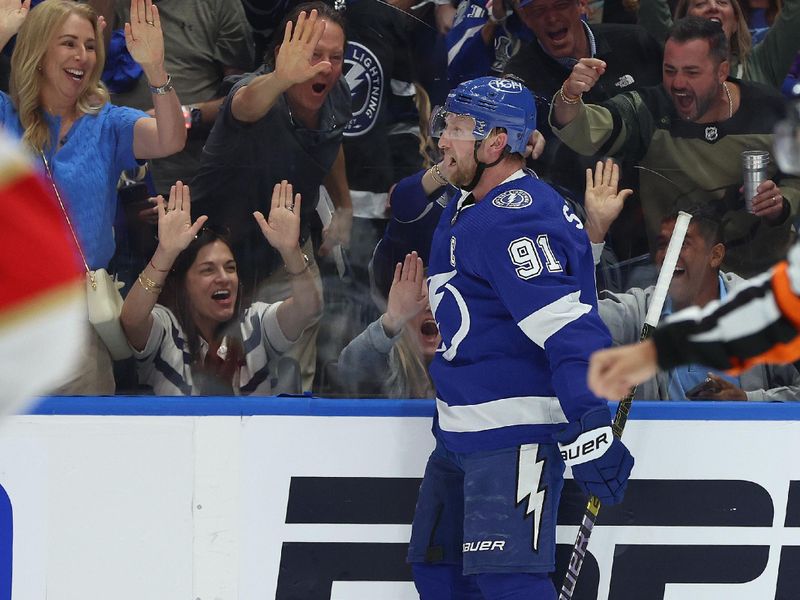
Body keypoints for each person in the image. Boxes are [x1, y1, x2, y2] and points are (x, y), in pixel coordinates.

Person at [407, 76, 633, 600]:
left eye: (457, 129)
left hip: (512, 439)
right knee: (438, 574)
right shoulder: (467, 203)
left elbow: (569, 329)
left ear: (495, 142)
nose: (442, 140)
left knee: (507, 583)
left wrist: (591, 421)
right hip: (457, 435)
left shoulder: (517, 220)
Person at [0, 0, 186, 393]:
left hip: (76, 326)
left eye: (89, 45)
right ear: (39, 51)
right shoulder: (6, 115)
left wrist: (154, 67)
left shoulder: (108, 123)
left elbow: (171, 138)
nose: (82, 56)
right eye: (68, 43)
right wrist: (1, 35)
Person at [551, 16, 799, 277]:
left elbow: (796, 178)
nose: (678, 83)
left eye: (692, 72)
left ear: (721, 72)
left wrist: (781, 204)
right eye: (670, 70)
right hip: (681, 278)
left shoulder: (769, 108)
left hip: (767, 272)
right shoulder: (648, 110)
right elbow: (582, 129)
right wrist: (570, 94)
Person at [190, 3, 353, 390]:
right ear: (284, 51)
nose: (326, 67)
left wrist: (343, 205)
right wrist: (281, 77)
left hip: (288, 253)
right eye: (314, 55)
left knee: (291, 376)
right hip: (221, 257)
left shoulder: (338, 93)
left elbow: (330, 140)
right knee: (221, 378)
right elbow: (245, 105)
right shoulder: (257, 90)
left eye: (336, 57)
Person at [585, 159, 800, 400]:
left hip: (747, 438)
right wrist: (595, 231)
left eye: (682, 244)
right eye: (663, 244)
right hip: (661, 438)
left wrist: (746, 401)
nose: (667, 254)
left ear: (715, 255)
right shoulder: (639, 311)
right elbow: (573, 316)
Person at [119, 180, 322, 395]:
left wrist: (290, 251)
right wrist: (166, 252)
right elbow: (132, 319)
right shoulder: (167, 328)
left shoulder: (255, 323)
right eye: (208, 270)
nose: (224, 278)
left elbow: (307, 308)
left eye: (231, 268)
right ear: (184, 284)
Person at [502, 0, 662, 259]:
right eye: (538, 11)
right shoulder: (520, 76)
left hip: (656, 216)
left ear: (581, 5)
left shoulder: (635, 41)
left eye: (560, 5)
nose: (551, 18)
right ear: (525, 18)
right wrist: (520, 137)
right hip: (585, 231)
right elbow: (514, 130)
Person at [338, 251, 438, 398]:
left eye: (437, 301)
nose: (429, 307)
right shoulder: (386, 362)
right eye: (420, 299)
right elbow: (349, 366)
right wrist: (392, 320)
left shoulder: (469, 362)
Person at [637, 0, 800, 88]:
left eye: (722, 2)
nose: (713, 6)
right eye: (700, 4)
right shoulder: (670, 56)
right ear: (683, 22)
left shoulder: (762, 63)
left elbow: (795, 10)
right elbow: (652, 8)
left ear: (736, 21)